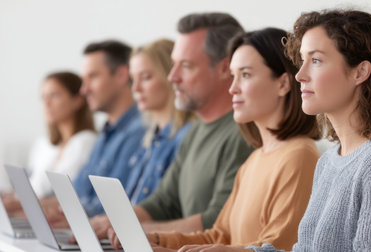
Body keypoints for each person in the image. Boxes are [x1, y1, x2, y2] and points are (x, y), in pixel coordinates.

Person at [109, 28, 322, 251]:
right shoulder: (256, 158)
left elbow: (278, 246)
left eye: (246, 75)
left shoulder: (299, 156)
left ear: (283, 84)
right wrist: (158, 240)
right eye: (233, 76)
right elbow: (220, 236)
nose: (233, 88)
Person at [247, 9, 371, 252]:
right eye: (302, 60)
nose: (300, 75)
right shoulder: (328, 162)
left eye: (316, 60)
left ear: (360, 72)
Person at [94, 12, 254, 239]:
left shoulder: (244, 134)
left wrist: (135, 230)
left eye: (186, 66)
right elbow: (164, 201)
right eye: (174, 64)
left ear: (224, 68)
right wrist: (114, 221)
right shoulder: (197, 128)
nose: (172, 76)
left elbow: (217, 222)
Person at [44, 40, 146, 225]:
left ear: (122, 74)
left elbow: (115, 207)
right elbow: (78, 193)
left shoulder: (139, 132)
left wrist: (66, 214)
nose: (84, 89)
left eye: (93, 77)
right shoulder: (105, 133)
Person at [1, 72, 96, 213]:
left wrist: (18, 203)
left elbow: (63, 192)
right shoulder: (46, 145)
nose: (46, 103)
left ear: (78, 101)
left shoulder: (85, 141)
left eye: (54, 95)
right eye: (43, 97)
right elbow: (33, 188)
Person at [124, 38, 194, 205]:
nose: (135, 89)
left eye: (146, 77)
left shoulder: (187, 136)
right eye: (133, 79)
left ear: (171, 77)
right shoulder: (149, 138)